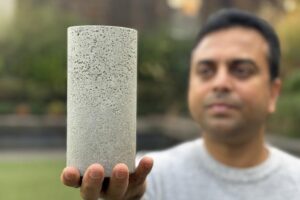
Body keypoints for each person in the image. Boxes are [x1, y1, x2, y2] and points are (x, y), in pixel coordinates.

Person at [61, 9, 300, 200]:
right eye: (206, 70)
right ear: (190, 85)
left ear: (273, 93)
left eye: (241, 70)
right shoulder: (146, 178)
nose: (220, 83)